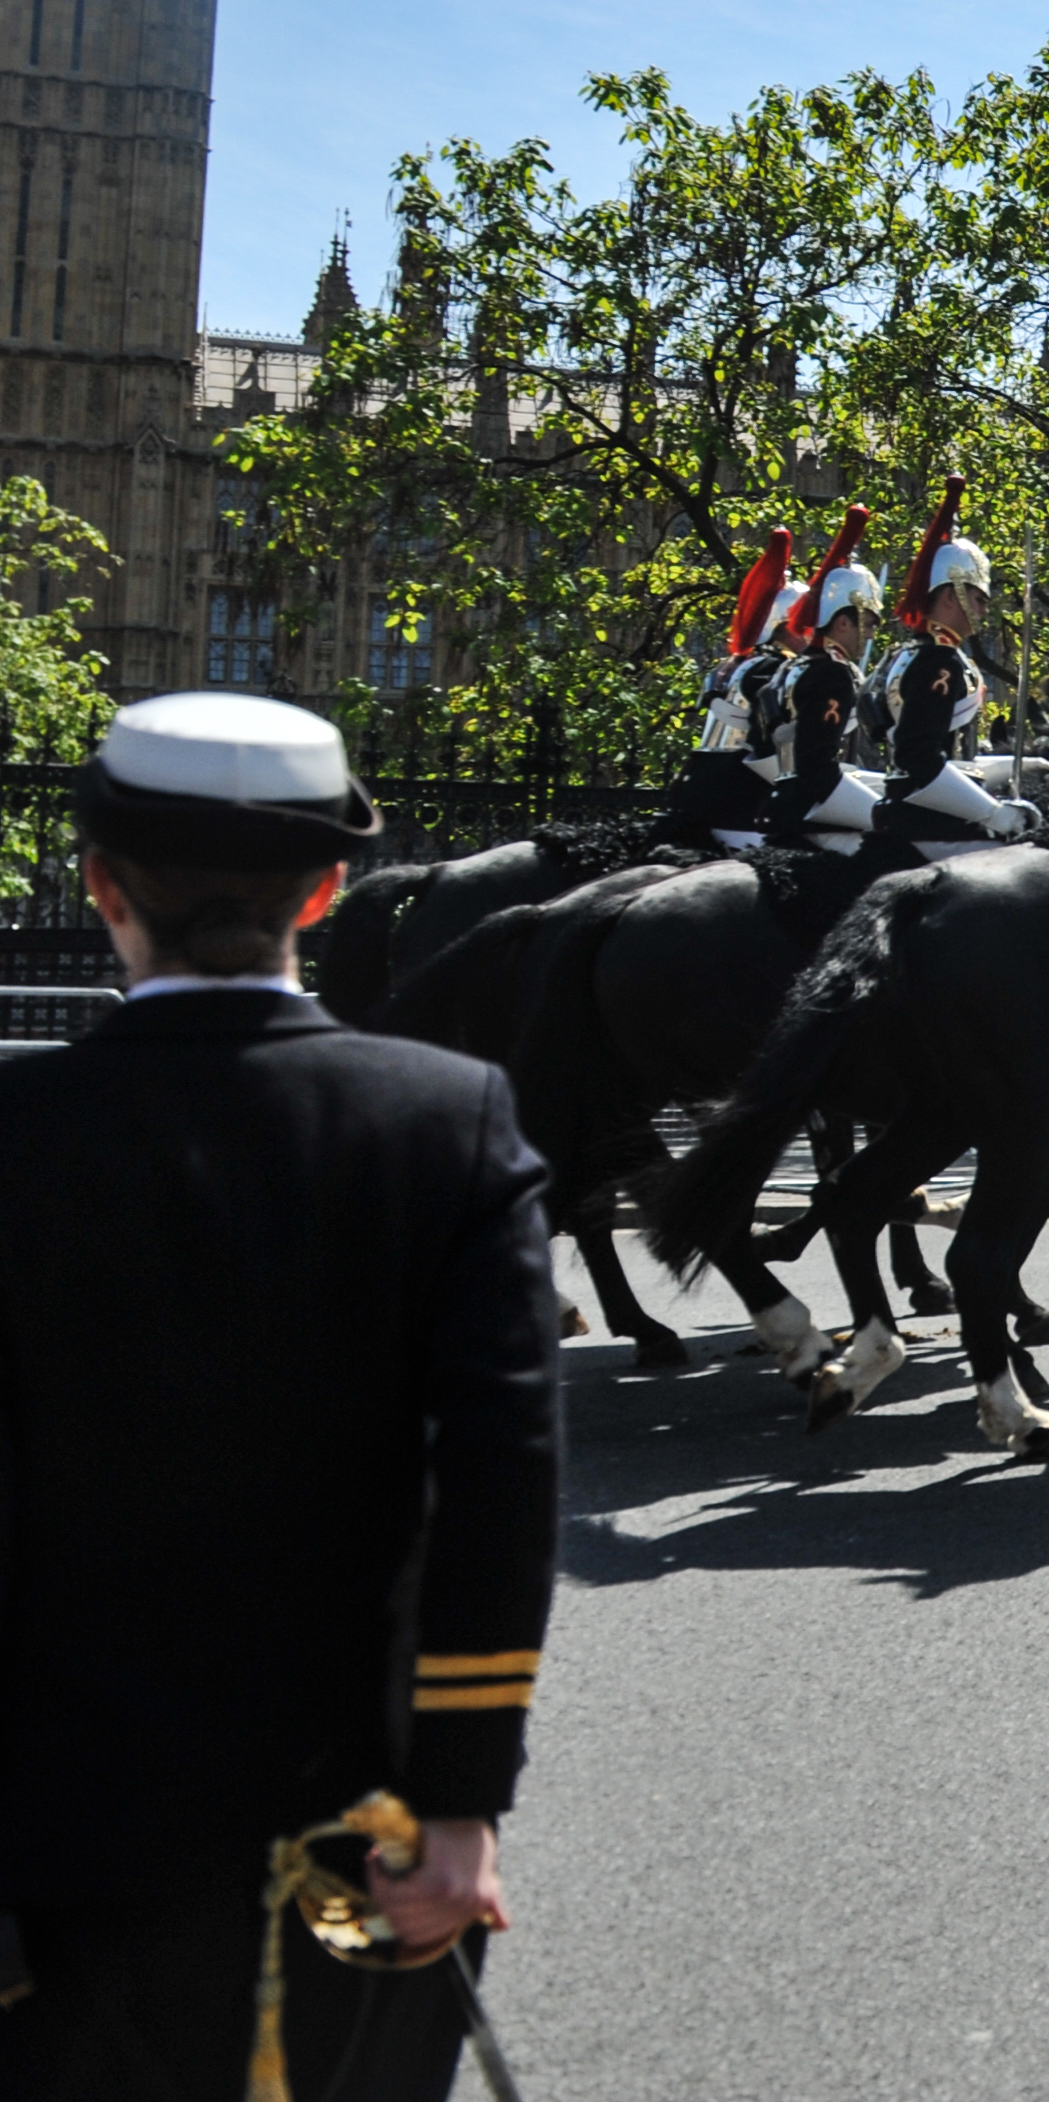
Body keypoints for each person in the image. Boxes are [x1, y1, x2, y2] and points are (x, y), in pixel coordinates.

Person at [0, 693, 558, 2102]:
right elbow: (497, 1490)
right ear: (328, 886)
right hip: (354, 1826)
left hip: (53, 1837)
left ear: (101, 888)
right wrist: (462, 1800)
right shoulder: (452, 1121)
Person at [873, 479, 1041, 860]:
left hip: (910, 810)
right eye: (979, 599)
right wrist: (993, 813)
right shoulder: (939, 662)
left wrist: (1030, 764)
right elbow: (920, 759)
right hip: (929, 821)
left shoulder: (909, 653)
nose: (984, 610)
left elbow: (954, 760)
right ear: (951, 596)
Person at [762, 503, 889, 852]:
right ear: (843, 622)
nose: (874, 633)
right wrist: (883, 814)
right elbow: (819, 765)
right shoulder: (832, 674)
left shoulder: (794, 666)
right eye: (869, 622)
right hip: (817, 814)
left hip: (783, 805)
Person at [668, 525, 795, 849]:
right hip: (742, 802)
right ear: (784, 626)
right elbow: (773, 746)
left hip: (698, 786)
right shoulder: (775, 668)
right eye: (804, 626)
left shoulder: (731, 665)